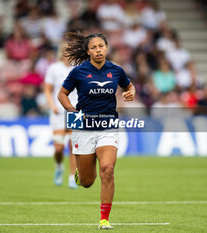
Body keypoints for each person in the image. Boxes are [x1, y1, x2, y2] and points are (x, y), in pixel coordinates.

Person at [57, 32, 135, 229]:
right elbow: (62, 94)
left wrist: (130, 93)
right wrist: (72, 111)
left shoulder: (116, 70)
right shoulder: (79, 72)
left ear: (106, 48)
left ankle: (104, 218)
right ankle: (79, 175)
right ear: (88, 51)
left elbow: (129, 86)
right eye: (94, 47)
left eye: (101, 46)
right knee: (87, 182)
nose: (98, 50)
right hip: (83, 129)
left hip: (108, 127)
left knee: (107, 170)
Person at [44, 43, 78, 189]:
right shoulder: (54, 68)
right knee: (59, 148)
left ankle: (72, 177)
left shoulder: (78, 68)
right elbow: (47, 89)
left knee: (73, 146)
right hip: (58, 112)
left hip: (74, 111)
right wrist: (52, 106)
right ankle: (59, 166)